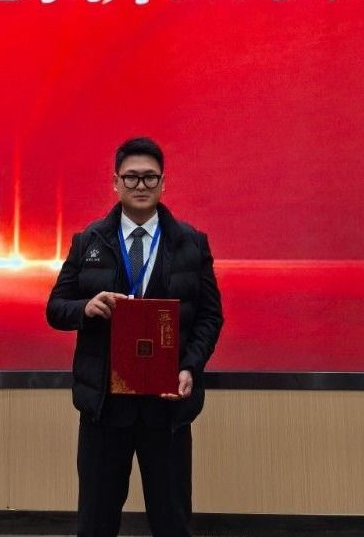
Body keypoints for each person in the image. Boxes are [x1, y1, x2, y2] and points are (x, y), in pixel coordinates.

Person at [46, 137, 224, 537]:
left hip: (166, 406)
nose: (140, 185)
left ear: (163, 183)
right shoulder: (88, 241)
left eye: (149, 177)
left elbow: (210, 317)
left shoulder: (191, 244)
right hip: (105, 407)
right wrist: (85, 307)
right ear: (115, 182)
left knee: (172, 521)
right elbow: (55, 308)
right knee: (95, 522)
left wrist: (190, 367)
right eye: (131, 177)